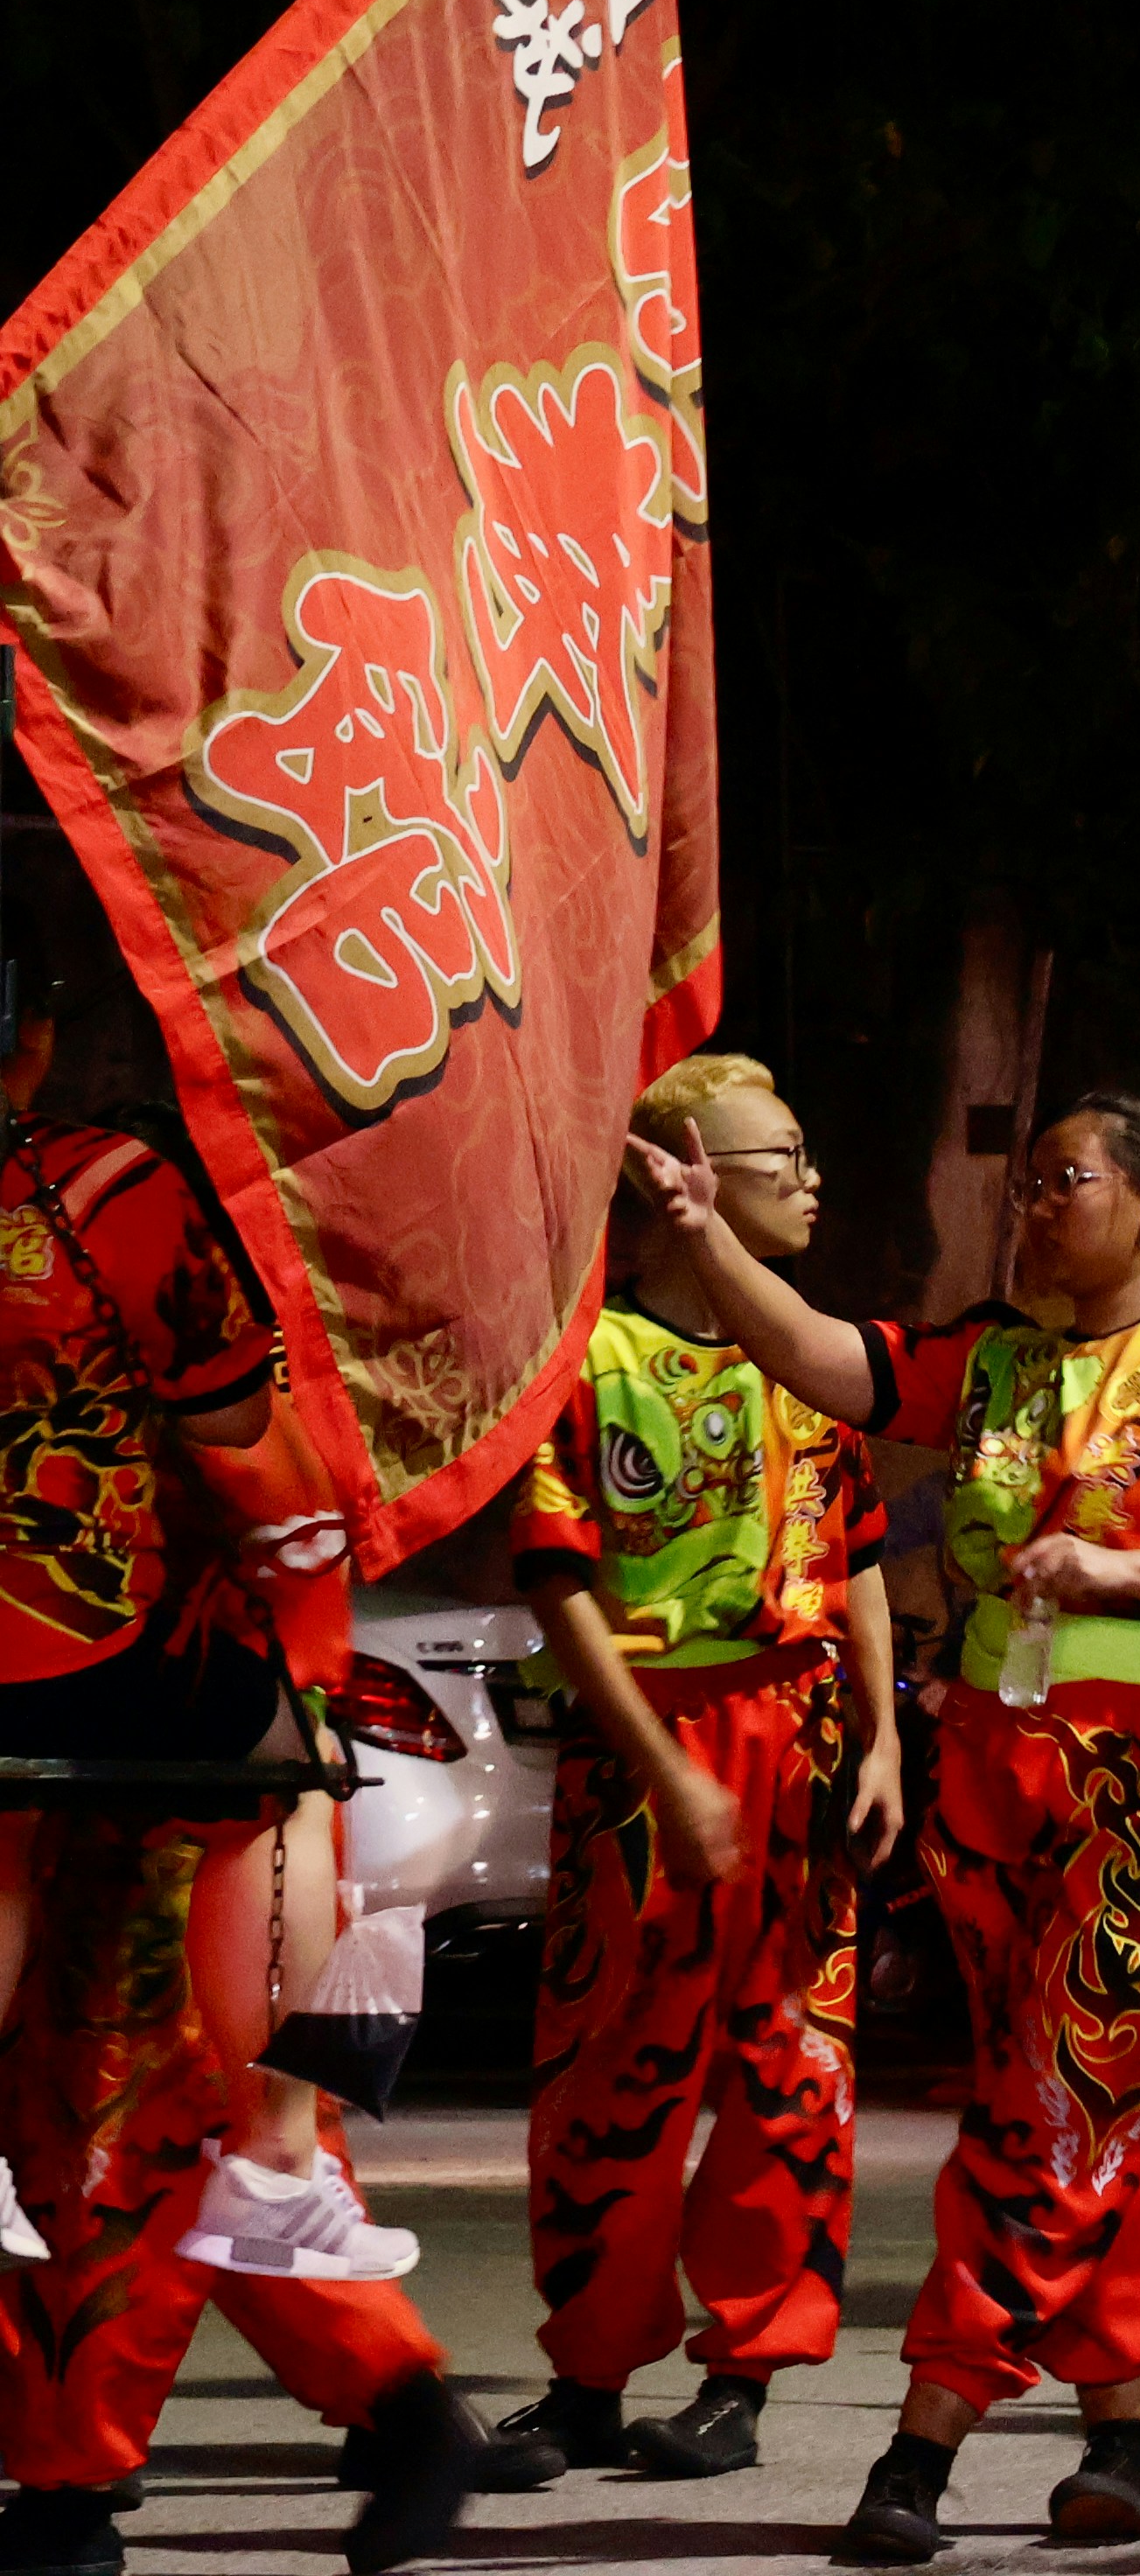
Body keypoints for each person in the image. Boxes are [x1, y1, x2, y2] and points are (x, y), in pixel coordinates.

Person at [625, 1086, 1140, 2559]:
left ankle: (926, 2438)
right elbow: (829, 1361)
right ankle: (1129, 2448)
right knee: (1084, 2110)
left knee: (1053, 2106)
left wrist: (1133, 1578)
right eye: (1023, 1181)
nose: (1032, 1205)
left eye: (1062, 1178)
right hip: (989, 1779)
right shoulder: (996, 1357)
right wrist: (704, 1234)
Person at [0, 971, 476, 2576]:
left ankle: (111, 2472)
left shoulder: (138, 1224)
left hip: (188, 1742)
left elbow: (282, 1512)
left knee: (138, 2117)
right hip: (114, 1721)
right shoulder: (117, 1218)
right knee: (119, 2124)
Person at [483, 1053, 900, 2494]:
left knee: (795, 2065)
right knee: (609, 2073)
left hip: (804, 1748)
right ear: (678, 1184)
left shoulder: (808, 1353)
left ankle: (745, 2371)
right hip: (646, 1758)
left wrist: (886, 1735)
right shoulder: (587, 1361)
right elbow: (560, 1587)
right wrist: (666, 1771)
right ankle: (587, 2377)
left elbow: (855, 1559)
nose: (809, 1180)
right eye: (777, 1158)